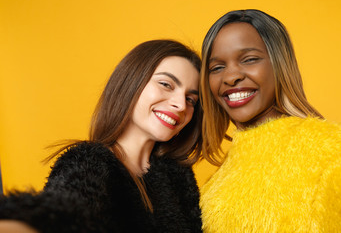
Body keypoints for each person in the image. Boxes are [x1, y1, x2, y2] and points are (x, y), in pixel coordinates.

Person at [0, 40, 203, 233]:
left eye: (190, 99)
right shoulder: (88, 162)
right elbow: (60, 217)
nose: (181, 105)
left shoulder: (177, 173)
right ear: (131, 82)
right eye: (166, 84)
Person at [199, 9, 341, 232]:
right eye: (217, 68)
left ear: (279, 64)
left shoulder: (329, 151)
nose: (230, 76)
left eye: (249, 59)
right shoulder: (221, 176)